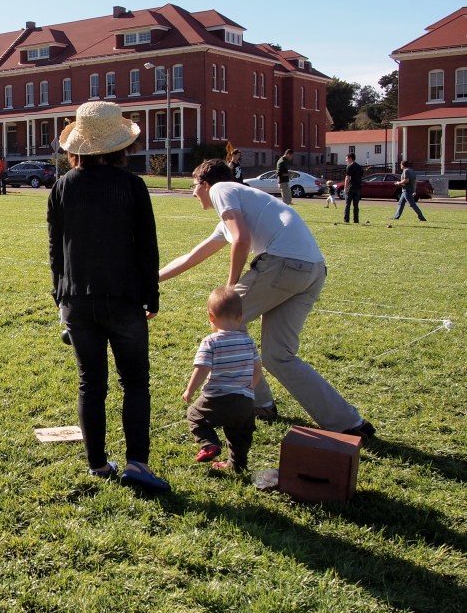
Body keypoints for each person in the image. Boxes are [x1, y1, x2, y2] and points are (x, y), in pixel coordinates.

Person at [159, 158, 375, 438]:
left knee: (226, 319)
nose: (193, 192)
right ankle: (348, 422)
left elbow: (242, 240)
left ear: (205, 183)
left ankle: (258, 403)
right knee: (278, 356)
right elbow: (191, 257)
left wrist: (231, 285)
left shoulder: (222, 189)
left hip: (284, 264)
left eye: (193, 185)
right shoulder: (243, 202)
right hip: (312, 270)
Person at [47, 101, 169, 492]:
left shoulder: (62, 186)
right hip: (123, 296)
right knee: (134, 381)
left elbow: (55, 250)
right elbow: (146, 248)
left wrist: (60, 299)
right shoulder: (132, 186)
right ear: (121, 146)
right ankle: (137, 464)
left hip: (77, 298)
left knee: (91, 383)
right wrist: (151, 295)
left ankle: (97, 465)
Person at [181, 286, 261, 473]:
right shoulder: (248, 341)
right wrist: (251, 386)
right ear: (240, 316)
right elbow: (258, 367)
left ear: (211, 317)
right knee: (239, 434)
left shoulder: (211, 341)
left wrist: (190, 390)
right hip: (245, 402)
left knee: (194, 415)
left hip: (217, 398)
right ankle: (237, 464)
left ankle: (209, 444)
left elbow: (202, 369)